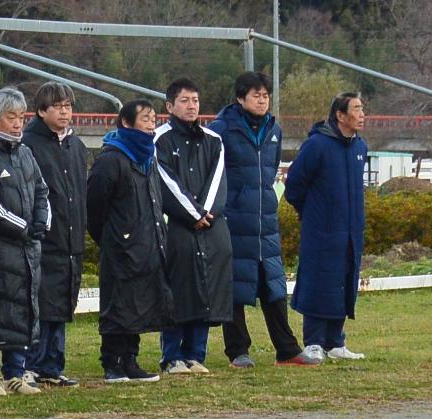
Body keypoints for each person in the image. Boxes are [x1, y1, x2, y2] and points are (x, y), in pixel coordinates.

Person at [212, 71, 301, 367]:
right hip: (235, 220)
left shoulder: (274, 130)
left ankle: (287, 349)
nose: (262, 101)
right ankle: (237, 350)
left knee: (273, 286)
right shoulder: (221, 130)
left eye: (265, 96)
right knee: (235, 286)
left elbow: (271, 170)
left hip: (265, 221)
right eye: (256, 95)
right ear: (240, 98)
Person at [0, 86, 51, 396]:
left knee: (23, 308)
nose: (18, 123)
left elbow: (41, 190)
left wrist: (42, 223)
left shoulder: (26, 153)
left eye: (21, 117)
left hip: (27, 251)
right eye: (10, 117)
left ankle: (17, 372)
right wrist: (23, 227)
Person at [284, 92, 370, 364]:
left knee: (343, 281)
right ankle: (314, 342)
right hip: (320, 230)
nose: (362, 114)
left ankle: (336, 341)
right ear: (340, 115)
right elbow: (294, 187)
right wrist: (311, 214)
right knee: (318, 282)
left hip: (350, 231)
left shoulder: (360, 147)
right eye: (356, 109)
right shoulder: (317, 145)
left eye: (362, 108)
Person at [86, 100, 167, 382]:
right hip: (120, 246)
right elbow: (95, 206)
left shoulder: (149, 157)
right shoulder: (111, 159)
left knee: (139, 304)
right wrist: (113, 237)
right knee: (117, 304)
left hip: (147, 245)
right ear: (126, 123)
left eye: (153, 119)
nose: (151, 124)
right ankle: (112, 362)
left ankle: (131, 359)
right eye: (145, 119)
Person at [155, 78, 232, 376]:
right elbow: (165, 180)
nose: (191, 106)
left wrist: (207, 213)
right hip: (178, 226)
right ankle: (172, 356)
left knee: (208, 288)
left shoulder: (214, 140)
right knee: (178, 291)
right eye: (185, 100)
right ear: (170, 105)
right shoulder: (159, 139)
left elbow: (218, 179)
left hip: (210, 226)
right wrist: (192, 214)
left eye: (195, 100)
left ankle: (195, 354)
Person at [21, 81, 89, 386]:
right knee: (40, 303)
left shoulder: (77, 147)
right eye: (58, 106)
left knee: (62, 303)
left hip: (71, 238)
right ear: (41, 110)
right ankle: (31, 363)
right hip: (42, 237)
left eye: (68, 106)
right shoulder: (29, 144)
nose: (65, 112)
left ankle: (53, 364)